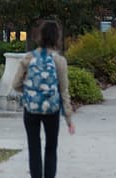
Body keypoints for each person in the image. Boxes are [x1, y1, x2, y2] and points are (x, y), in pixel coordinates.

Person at [13, 21, 75, 178]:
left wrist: (29, 91)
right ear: (56, 38)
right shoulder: (59, 61)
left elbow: (15, 84)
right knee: (51, 148)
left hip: (31, 108)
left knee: (34, 148)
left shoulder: (28, 58)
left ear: (40, 36)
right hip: (51, 109)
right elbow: (63, 91)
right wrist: (68, 118)